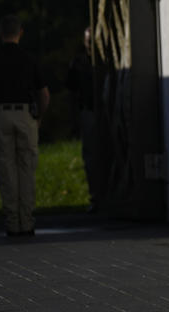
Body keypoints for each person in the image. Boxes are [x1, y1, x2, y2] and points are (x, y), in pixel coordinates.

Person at [0, 15, 49, 237]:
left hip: (1, 114)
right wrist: (39, 117)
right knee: (26, 169)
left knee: (6, 170)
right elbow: (44, 94)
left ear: (0, 34)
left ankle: (12, 222)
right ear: (21, 33)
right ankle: (27, 221)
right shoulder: (29, 59)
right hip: (25, 114)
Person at [66, 26, 101, 212]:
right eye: (88, 40)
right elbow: (71, 92)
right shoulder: (79, 63)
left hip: (103, 111)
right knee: (91, 157)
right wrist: (74, 119)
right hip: (88, 110)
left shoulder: (104, 61)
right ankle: (95, 196)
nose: (90, 44)